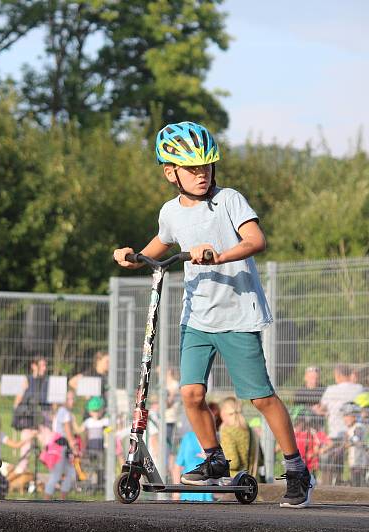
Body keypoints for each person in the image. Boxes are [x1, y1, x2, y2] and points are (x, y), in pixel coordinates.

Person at [114, 121, 314, 508]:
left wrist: (219, 255)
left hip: (237, 316)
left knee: (259, 397)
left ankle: (296, 469)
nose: (202, 174)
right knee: (190, 394)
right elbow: (160, 244)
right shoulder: (171, 211)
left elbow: (256, 239)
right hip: (197, 318)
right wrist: (132, 257)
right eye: (192, 168)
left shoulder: (229, 201)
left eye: (206, 166)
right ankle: (214, 459)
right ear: (170, 172)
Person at [11, 356, 51, 475]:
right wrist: (16, 417)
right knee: (25, 449)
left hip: (43, 421)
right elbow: (17, 401)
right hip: (28, 420)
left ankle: (54, 477)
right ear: (34, 366)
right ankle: (18, 476)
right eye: (42, 365)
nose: (45, 368)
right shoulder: (26, 381)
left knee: (49, 446)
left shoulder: (47, 382)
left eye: (45, 365)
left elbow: (52, 404)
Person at [44, 389, 79, 500]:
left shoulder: (62, 411)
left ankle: (62, 500)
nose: (71, 401)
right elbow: (68, 433)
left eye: (73, 398)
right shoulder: (64, 412)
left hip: (63, 448)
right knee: (56, 475)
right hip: (60, 448)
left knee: (70, 473)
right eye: (69, 399)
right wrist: (74, 448)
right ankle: (45, 501)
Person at [80, 396, 109, 491]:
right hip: (90, 449)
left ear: (102, 410)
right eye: (94, 411)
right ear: (90, 412)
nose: (96, 413)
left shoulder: (104, 421)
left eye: (98, 411)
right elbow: (83, 432)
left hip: (100, 449)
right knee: (90, 468)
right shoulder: (88, 422)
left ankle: (100, 485)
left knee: (101, 466)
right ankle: (89, 484)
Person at [219, 397, 252, 478]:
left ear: (223, 412)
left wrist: (213, 459)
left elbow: (233, 463)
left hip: (232, 482)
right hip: (248, 477)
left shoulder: (227, 430)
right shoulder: (247, 429)